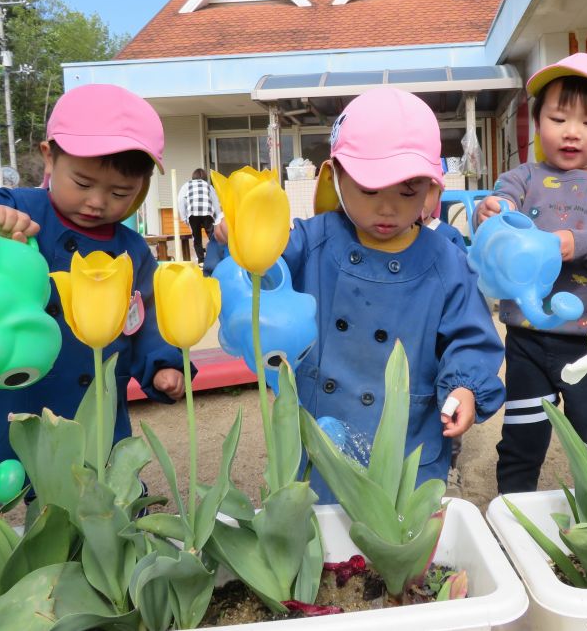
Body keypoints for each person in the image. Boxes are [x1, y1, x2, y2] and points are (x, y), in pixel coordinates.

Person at [222, 87, 505, 503]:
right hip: (323, 429)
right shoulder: (312, 240)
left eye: (407, 191)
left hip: (408, 435)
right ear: (335, 176)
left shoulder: (445, 260)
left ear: (430, 188)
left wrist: (465, 387)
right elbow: (267, 266)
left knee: (399, 536)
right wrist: (243, 237)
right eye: (369, 190)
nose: (387, 208)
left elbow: (471, 337)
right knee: (323, 533)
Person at [0, 83, 187, 493]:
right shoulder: (19, 209)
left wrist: (164, 363)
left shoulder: (131, 251)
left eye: (120, 193)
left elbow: (146, 318)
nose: (98, 202)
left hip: (88, 402)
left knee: (95, 482)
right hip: (15, 392)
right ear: (49, 157)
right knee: (24, 479)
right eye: (82, 183)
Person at [475, 53, 587, 494]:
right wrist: (492, 213)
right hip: (529, 339)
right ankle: (513, 514)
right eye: (557, 118)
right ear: (537, 124)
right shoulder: (522, 177)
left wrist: (578, 243)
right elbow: (501, 207)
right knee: (523, 436)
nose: (572, 132)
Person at [177, 167, 220, 266]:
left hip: (193, 213)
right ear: (205, 178)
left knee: (197, 238)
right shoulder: (208, 186)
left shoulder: (186, 186)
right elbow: (215, 202)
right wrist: (218, 218)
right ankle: (216, 258)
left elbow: (181, 201)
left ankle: (201, 261)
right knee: (213, 237)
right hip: (207, 213)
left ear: (193, 177)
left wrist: (184, 217)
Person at [420, 183, 468, 253]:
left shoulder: (450, 235)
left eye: (428, 187)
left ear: (439, 195)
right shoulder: (399, 233)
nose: (418, 196)